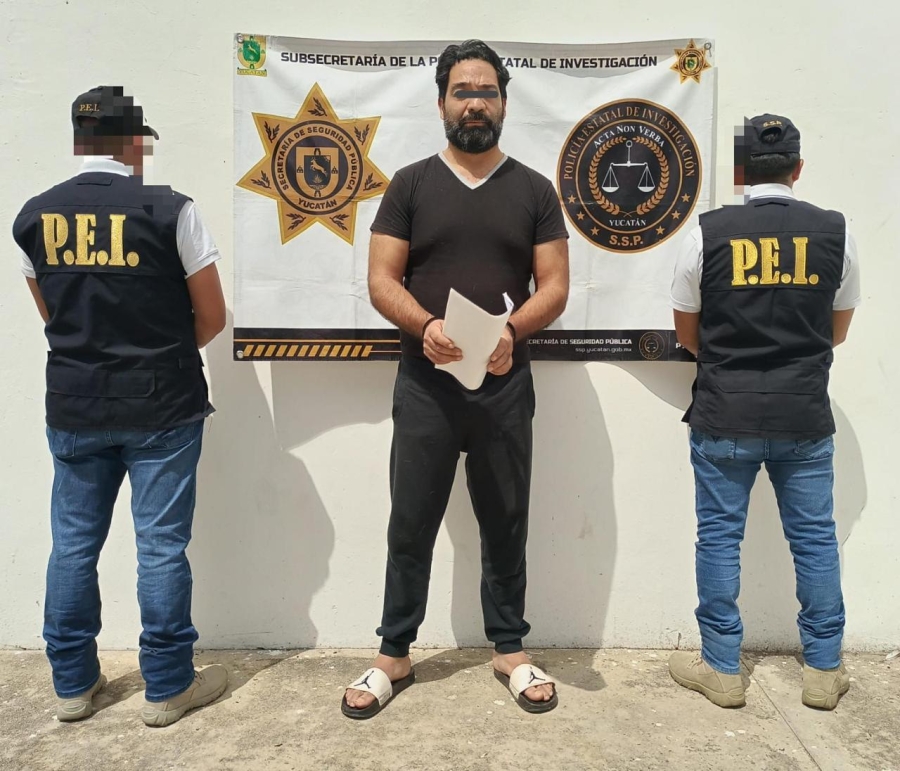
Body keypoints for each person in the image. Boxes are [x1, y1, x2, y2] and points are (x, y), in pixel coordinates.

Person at [341, 40, 570, 719]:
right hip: (426, 385)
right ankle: (394, 653)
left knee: (506, 520)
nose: (475, 103)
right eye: (463, 91)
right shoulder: (409, 185)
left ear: (504, 103)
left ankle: (510, 649)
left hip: (504, 386)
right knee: (410, 520)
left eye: (487, 92)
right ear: (441, 102)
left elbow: (555, 287)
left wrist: (511, 332)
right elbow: (381, 280)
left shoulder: (535, 190)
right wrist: (424, 325)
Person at [12, 86, 229, 727]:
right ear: (135, 143)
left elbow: (53, 317)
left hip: (75, 404)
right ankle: (167, 687)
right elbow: (212, 317)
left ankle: (72, 685)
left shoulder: (32, 216)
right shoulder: (171, 210)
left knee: (72, 547)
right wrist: (156, 358)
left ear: (80, 142)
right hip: (162, 406)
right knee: (160, 548)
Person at [668, 114, 860, 710]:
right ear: (798, 169)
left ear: (739, 170)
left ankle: (722, 668)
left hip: (725, 413)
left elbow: (689, 335)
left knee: (719, 538)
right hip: (803, 414)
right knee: (816, 540)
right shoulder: (836, 233)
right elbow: (837, 332)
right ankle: (823, 669)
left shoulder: (705, 234)